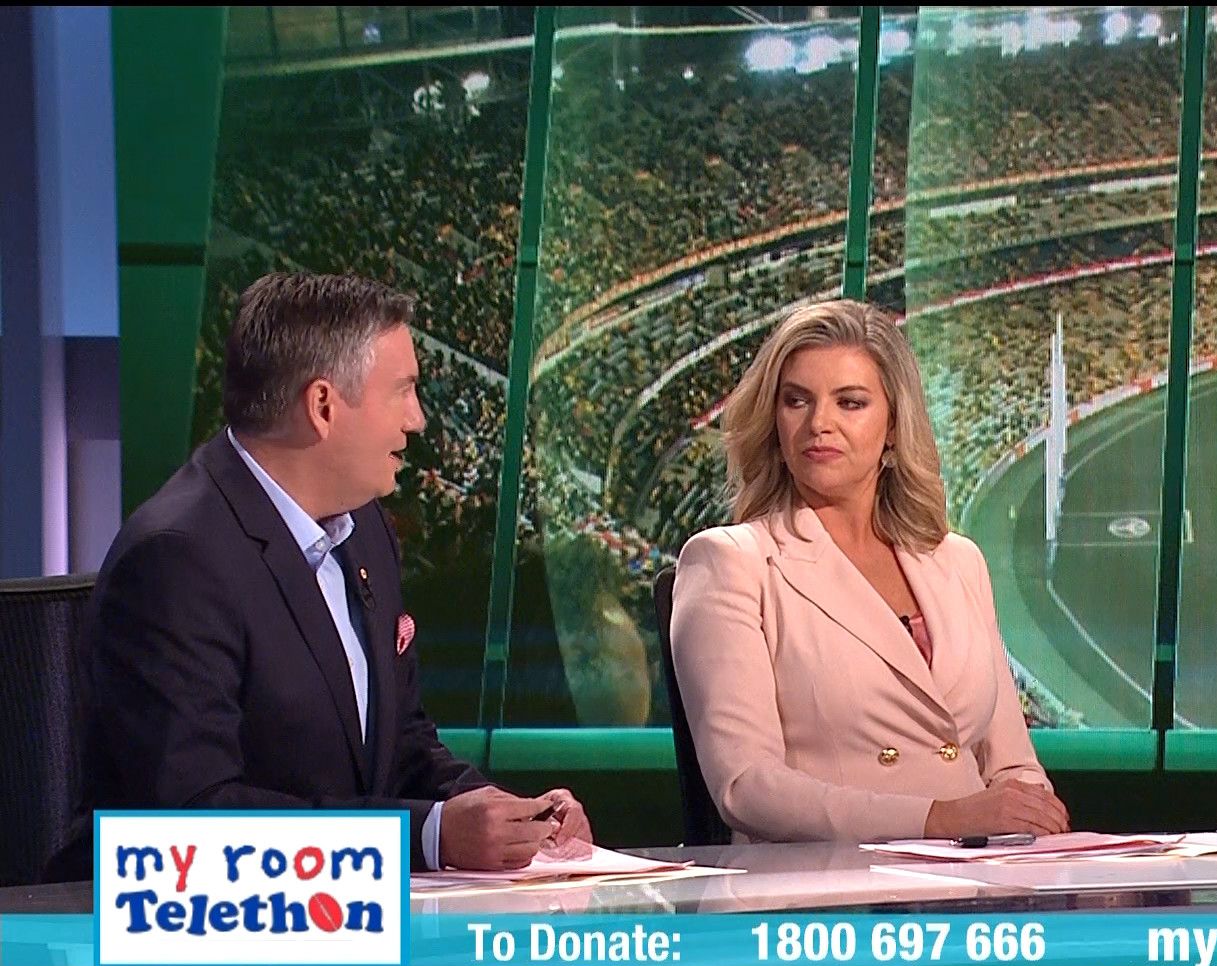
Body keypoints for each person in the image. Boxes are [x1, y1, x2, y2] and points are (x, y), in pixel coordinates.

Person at [50, 273, 591, 879]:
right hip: (187, 924)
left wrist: (506, 816)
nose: (417, 420)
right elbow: (193, 817)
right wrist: (427, 837)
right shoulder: (176, 560)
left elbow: (402, 745)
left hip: (344, 913)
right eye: (403, 391)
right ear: (323, 406)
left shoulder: (365, 528)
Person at [670, 298, 1069, 843]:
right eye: (796, 401)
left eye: (850, 402)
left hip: (976, 877)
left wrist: (1037, 832)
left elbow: (1013, 768)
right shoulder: (731, 562)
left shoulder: (957, 561)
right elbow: (747, 786)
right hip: (827, 884)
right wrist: (941, 820)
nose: (819, 424)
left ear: (893, 425)